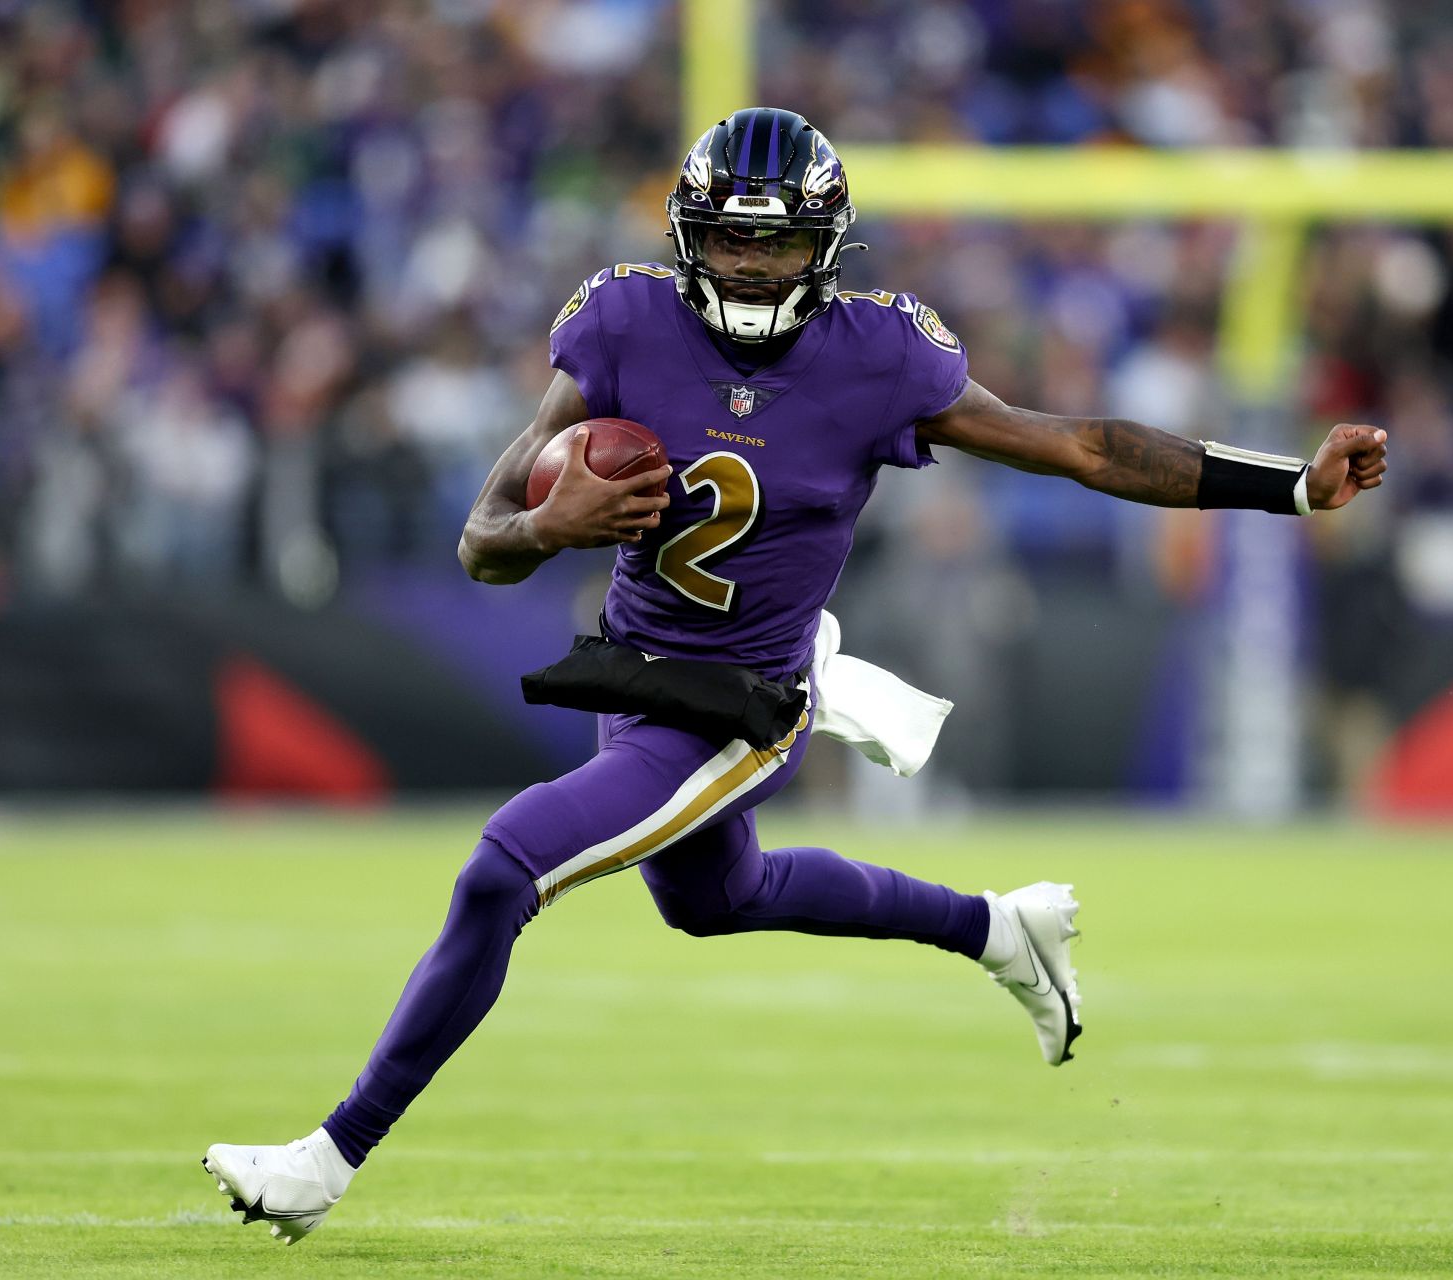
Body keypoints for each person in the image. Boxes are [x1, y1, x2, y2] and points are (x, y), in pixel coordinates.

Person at [202, 108, 1388, 1244]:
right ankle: (997, 928)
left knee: (503, 867)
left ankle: (331, 1154)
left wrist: (1287, 484)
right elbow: (481, 539)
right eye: (732, 236)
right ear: (687, 233)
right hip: (636, 672)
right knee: (714, 898)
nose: (756, 263)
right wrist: (550, 525)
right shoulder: (620, 325)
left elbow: (1081, 444)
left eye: (779, 240)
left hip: (745, 703)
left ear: (825, 248)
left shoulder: (878, 356)